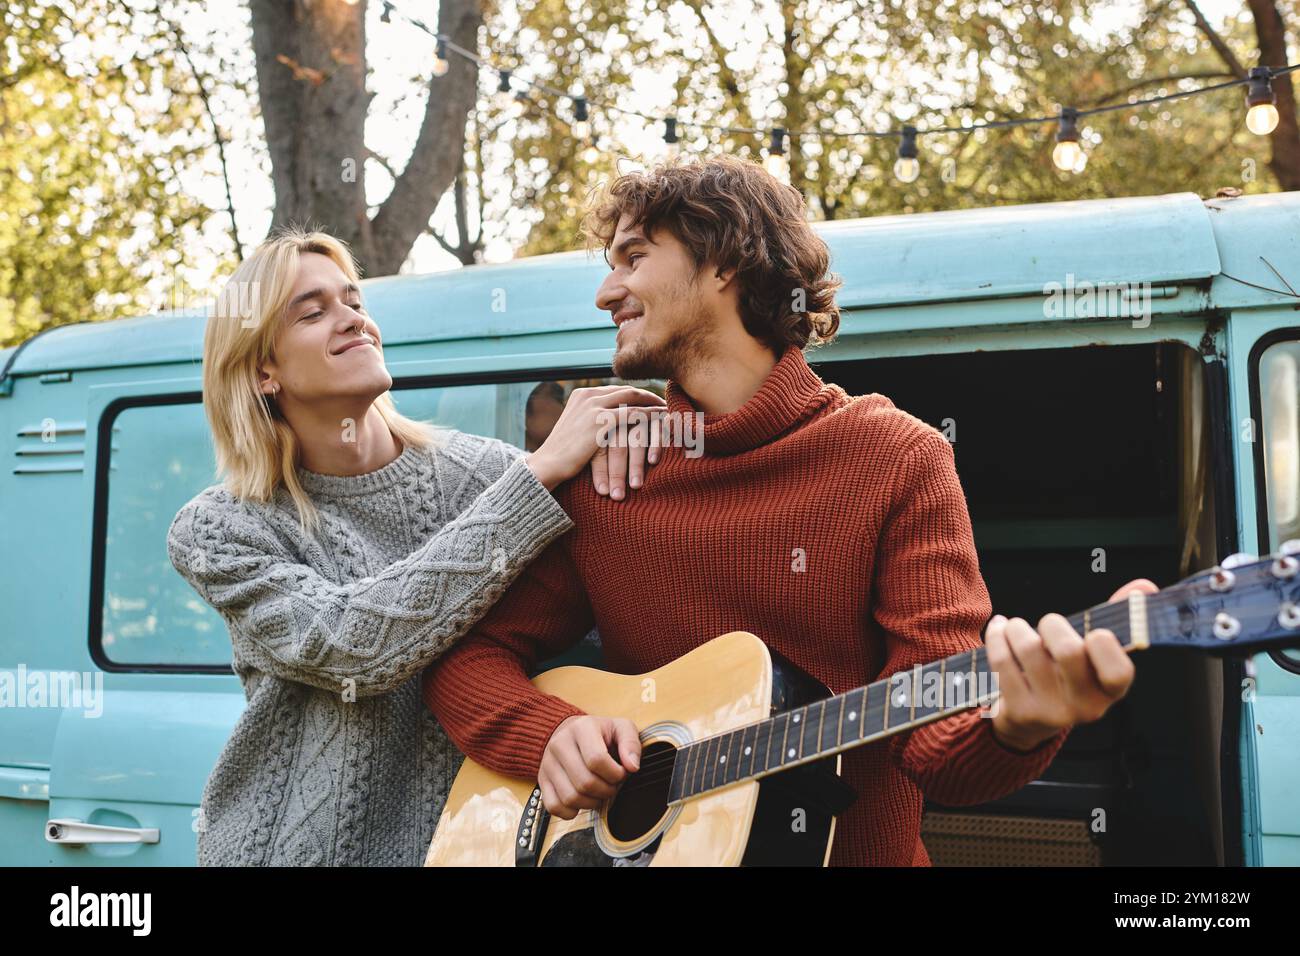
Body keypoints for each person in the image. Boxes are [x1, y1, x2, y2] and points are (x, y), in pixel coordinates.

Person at [422, 156, 1155, 866]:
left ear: (724, 263)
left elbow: (939, 752)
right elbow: (466, 664)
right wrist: (551, 735)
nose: (606, 292)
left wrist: (1020, 726)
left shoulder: (898, 459)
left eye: (633, 258)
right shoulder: (612, 472)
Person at [165, 227, 662, 865]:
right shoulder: (222, 529)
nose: (352, 321)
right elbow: (350, 646)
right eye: (313, 313)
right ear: (263, 370)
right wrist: (540, 473)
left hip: (471, 848)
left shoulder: (486, 475)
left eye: (354, 302)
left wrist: (627, 435)